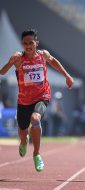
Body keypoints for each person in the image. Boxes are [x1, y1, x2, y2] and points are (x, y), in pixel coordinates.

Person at [0, 29, 74, 172]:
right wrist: (10, 62)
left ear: (36, 43)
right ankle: (23, 141)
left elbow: (54, 62)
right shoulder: (18, 58)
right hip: (23, 101)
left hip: (42, 96)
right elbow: (2, 72)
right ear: (22, 44)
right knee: (22, 132)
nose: (28, 46)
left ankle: (36, 153)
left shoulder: (43, 55)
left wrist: (67, 76)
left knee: (35, 119)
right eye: (25, 43)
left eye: (31, 43)